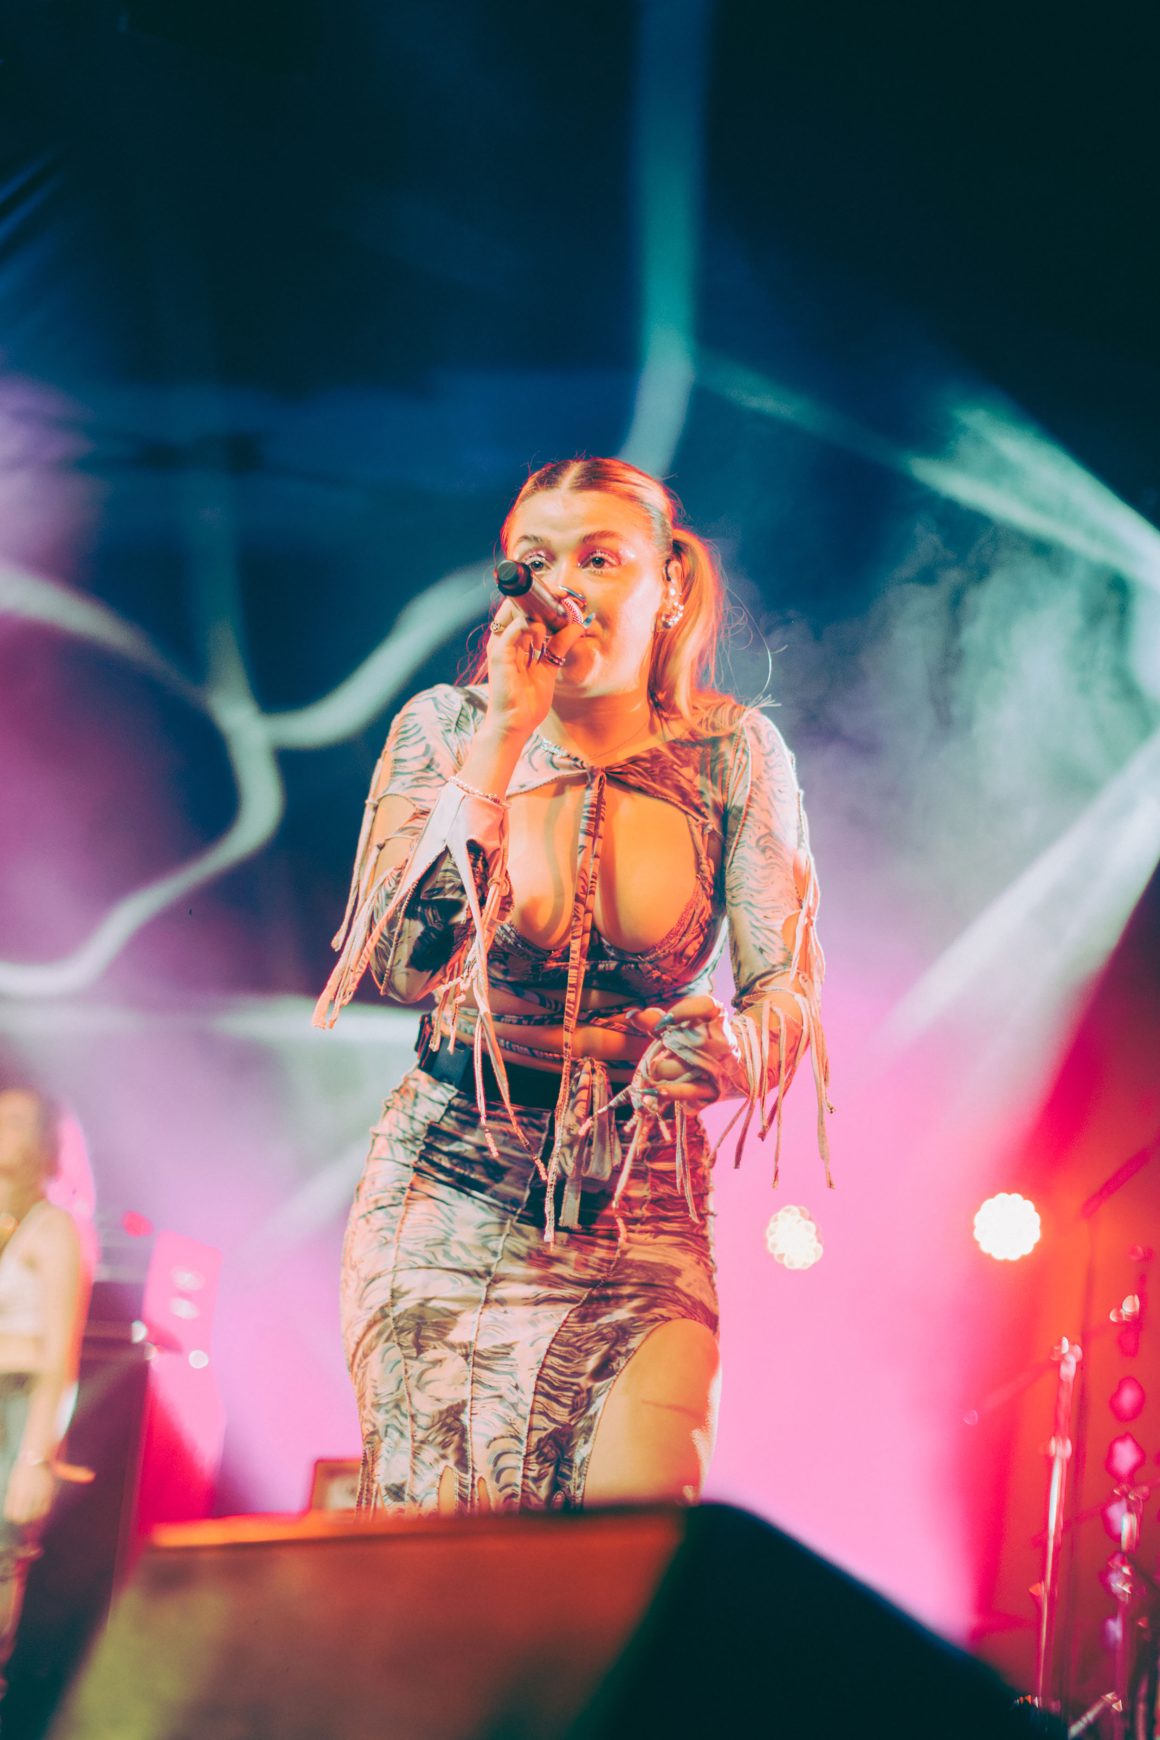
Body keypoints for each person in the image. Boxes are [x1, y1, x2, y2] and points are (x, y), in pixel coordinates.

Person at [315, 457, 830, 1515]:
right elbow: (405, 965)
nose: (564, 586)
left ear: (668, 584)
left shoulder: (733, 755)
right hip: (451, 1185)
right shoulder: (446, 730)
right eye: (536, 560)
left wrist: (732, 1049)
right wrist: (503, 738)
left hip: (640, 1200)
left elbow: (783, 994)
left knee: (635, 1545)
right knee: (439, 1568)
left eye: (600, 558)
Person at [0, 1084, 90, 1697]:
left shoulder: (53, 1228)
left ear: (43, 1142)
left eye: (15, 1121)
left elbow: (60, 1354)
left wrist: (36, 1458)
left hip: (15, 1408)